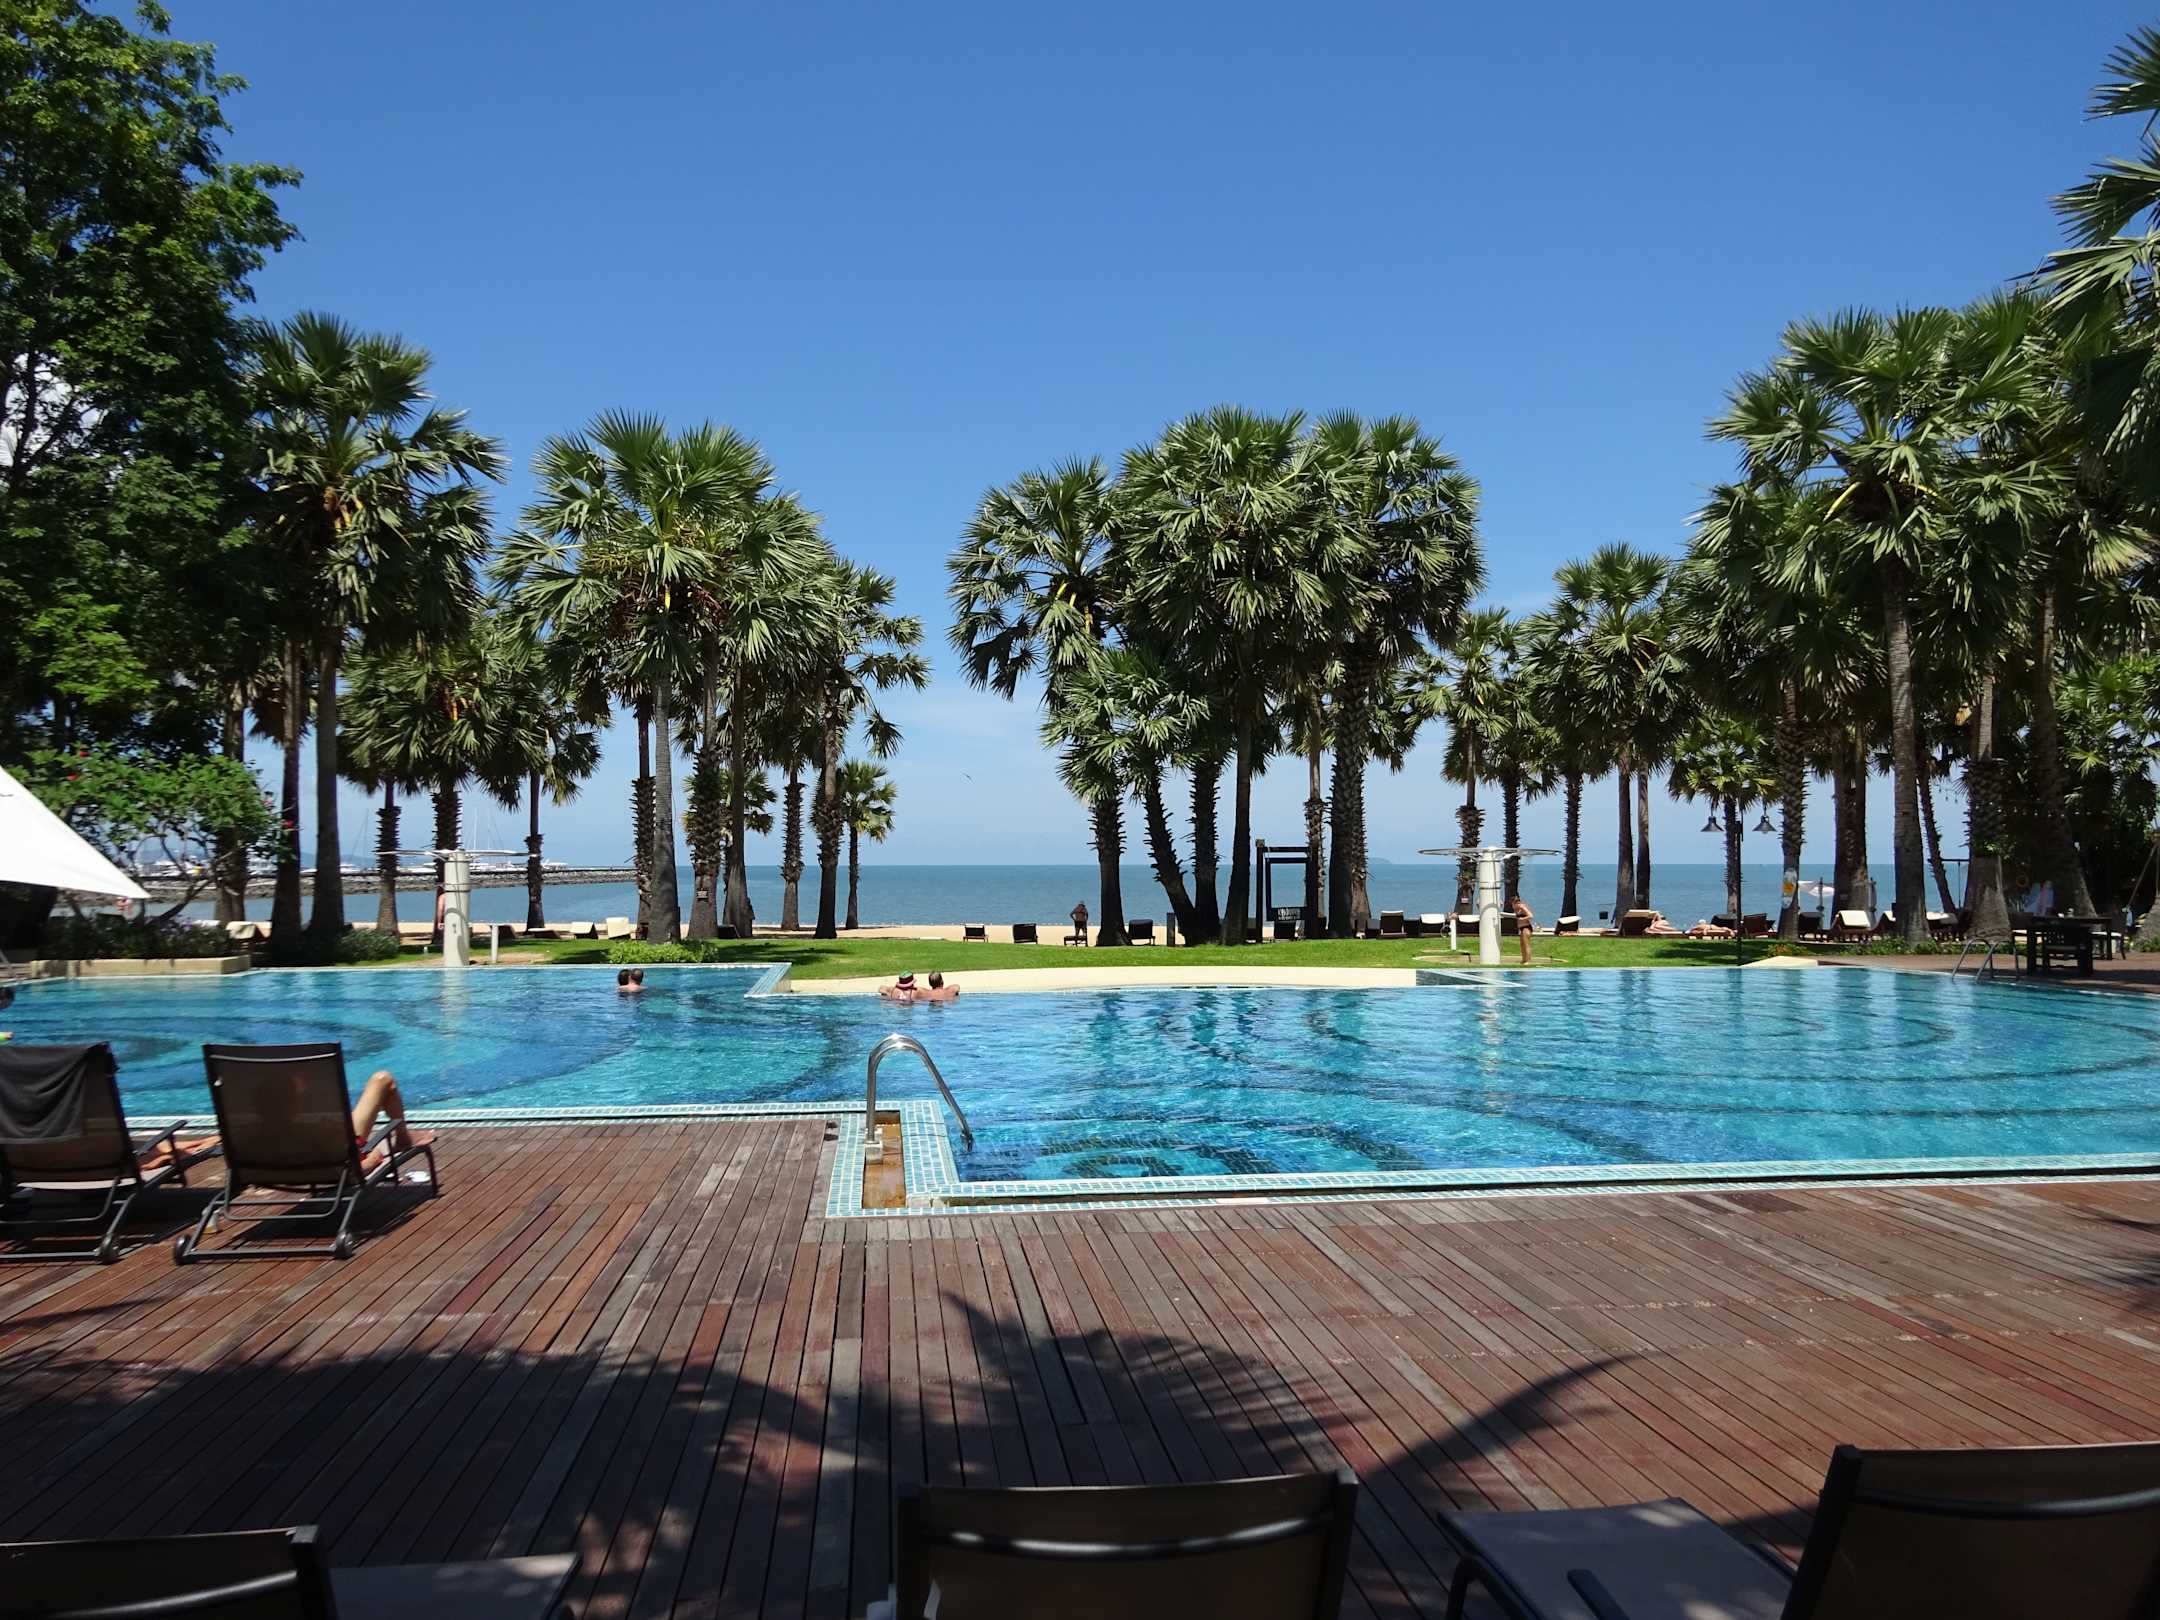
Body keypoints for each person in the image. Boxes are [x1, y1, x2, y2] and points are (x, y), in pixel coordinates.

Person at [351, 1069, 426, 1167]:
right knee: (383, 1079)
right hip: (346, 1159)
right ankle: (403, 1137)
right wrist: (372, 1159)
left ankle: (403, 1137)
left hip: (337, 1140)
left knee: (382, 1079)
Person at [1509, 895, 1534, 965]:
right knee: (1522, 945)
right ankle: (1524, 960)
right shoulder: (1517, 909)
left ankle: (1528, 961)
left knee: (1526, 945)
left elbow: (1531, 915)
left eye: (1513, 904)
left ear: (1516, 903)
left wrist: (1522, 919)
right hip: (1521, 928)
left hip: (1526, 927)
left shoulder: (1522, 907)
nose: (1512, 906)